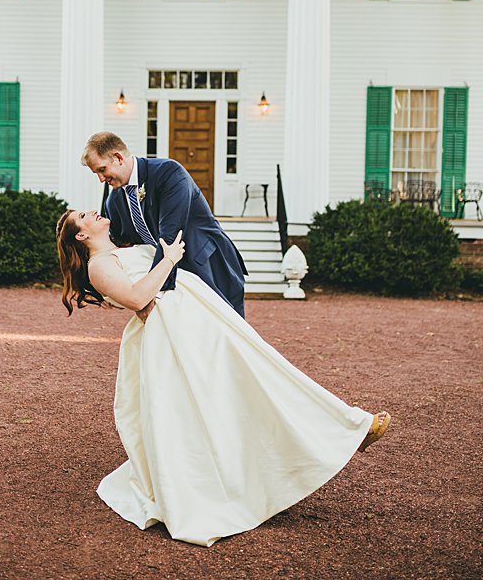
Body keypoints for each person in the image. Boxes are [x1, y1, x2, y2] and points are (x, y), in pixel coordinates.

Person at [56, 208, 391, 546]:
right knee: (220, 402)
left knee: (261, 378)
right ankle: (330, 440)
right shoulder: (99, 266)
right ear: (81, 236)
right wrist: (169, 259)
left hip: (198, 319)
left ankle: (346, 429)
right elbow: (136, 297)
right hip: (173, 336)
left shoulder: (122, 248)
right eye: (84, 216)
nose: (95, 212)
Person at [81, 131, 248, 315]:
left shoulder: (168, 172)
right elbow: (123, 247)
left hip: (207, 264)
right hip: (167, 270)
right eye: (96, 173)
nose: (101, 179)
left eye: (102, 170)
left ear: (118, 157)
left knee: (225, 332)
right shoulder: (114, 202)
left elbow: (171, 234)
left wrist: (155, 293)